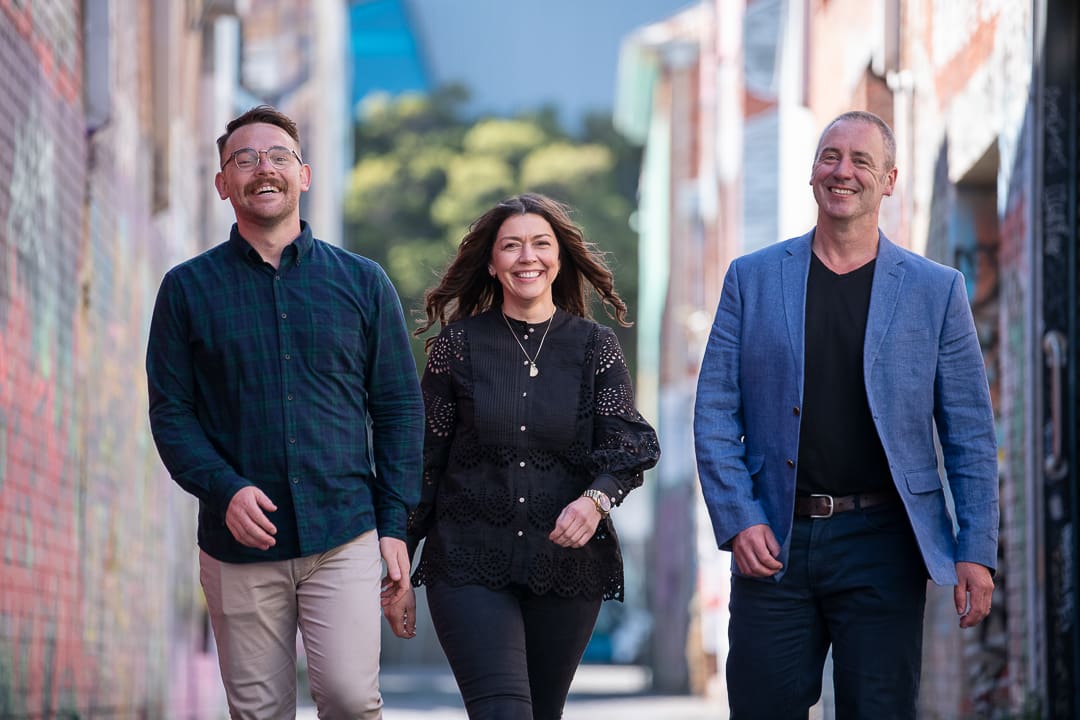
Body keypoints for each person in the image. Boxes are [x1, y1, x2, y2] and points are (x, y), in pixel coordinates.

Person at [693, 110, 998, 718]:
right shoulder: (751, 279)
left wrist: (977, 549)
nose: (843, 171)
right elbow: (715, 413)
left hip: (885, 542)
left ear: (888, 181)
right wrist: (738, 517)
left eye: (862, 161)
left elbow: (969, 431)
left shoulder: (936, 291)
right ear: (812, 174)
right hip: (774, 540)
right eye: (831, 156)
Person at [146, 105, 424, 719]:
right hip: (238, 542)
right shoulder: (186, 290)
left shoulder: (363, 282)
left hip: (344, 530)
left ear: (304, 175)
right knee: (260, 712)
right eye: (242, 160)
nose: (261, 169)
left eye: (277, 156)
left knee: (352, 699)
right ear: (222, 184)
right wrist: (223, 489)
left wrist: (396, 522)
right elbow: (171, 414)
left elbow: (400, 408)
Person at [381, 193, 660, 719]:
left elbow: (629, 443)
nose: (526, 256)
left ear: (559, 258)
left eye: (540, 244)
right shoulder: (456, 347)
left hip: (566, 568)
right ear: (492, 263)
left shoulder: (594, 347)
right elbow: (424, 461)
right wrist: (400, 562)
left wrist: (595, 501)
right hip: (467, 561)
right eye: (511, 246)